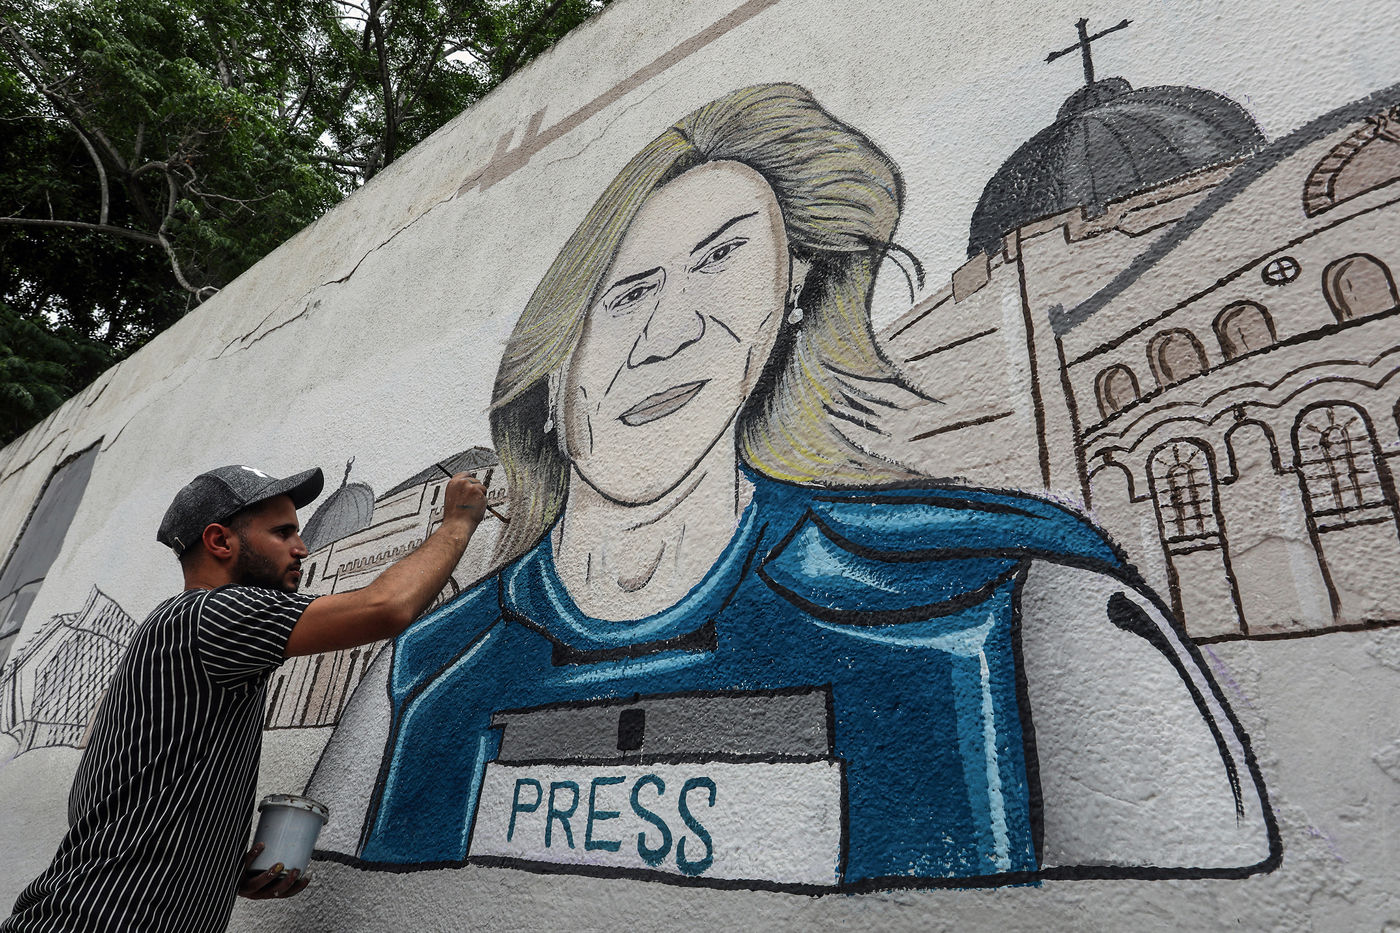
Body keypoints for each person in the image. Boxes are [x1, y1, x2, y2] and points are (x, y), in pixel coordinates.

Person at [309, 83, 1279, 888]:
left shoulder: (1018, 608)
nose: (671, 332)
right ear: (547, 377)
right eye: (626, 294)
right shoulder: (419, 680)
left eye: (722, 263)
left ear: (786, 316)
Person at [2, 463, 487, 932]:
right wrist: (457, 523)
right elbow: (385, 607)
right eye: (282, 533)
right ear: (220, 541)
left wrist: (215, 869)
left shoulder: (180, 633)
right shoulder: (212, 613)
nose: (301, 548)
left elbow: (104, 806)